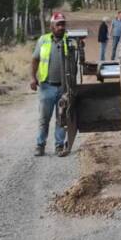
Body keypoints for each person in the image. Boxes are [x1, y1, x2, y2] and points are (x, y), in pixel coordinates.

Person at [31, 12, 71, 156]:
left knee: (62, 118)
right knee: (44, 119)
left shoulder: (70, 40)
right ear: (52, 26)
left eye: (63, 24)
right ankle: (40, 145)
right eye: (58, 24)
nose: (61, 27)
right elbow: (35, 60)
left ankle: (59, 146)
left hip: (64, 87)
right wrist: (33, 78)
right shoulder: (43, 40)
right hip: (46, 86)